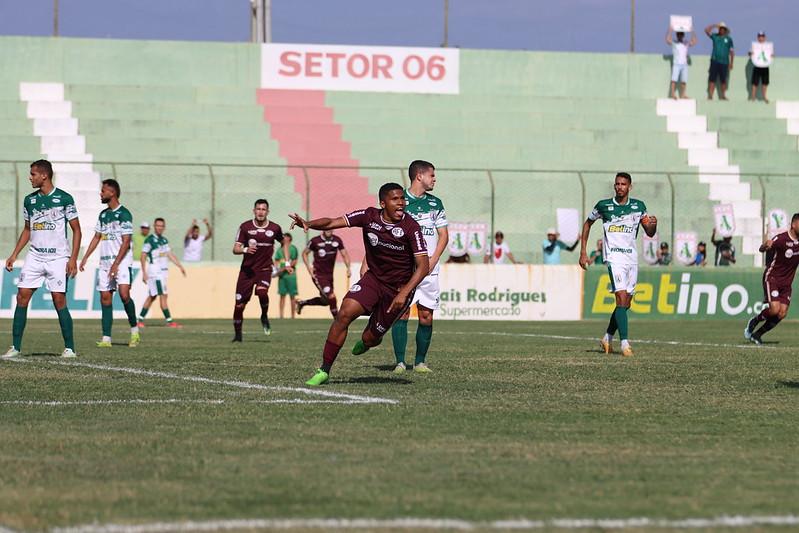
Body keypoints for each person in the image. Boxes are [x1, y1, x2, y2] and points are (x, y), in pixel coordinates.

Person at [288, 182, 429, 386]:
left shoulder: (411, 227)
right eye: (395, 199)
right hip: (374, 280)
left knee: (370, 338)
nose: (401, 203)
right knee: (344, 313)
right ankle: (324, 370)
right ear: (383, 203)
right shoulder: (369, 216)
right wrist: (309, 223)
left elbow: (423, 266)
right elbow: (332, 223)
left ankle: (368, 341)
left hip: (398, 289)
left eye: (402, 199)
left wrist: (404, 293)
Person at [2, 160, 81, 358]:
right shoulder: (30, 200)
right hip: (35, 256)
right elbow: (28, 229)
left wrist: (73, 259)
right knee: (22, 296)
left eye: (33, 174)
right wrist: (14, 254)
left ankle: (70, 348)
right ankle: (15, 347)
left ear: (44, 175)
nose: (30, 177)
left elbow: (77, 230)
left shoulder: (65, 198)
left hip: (58, 257)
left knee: (59, 300)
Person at [579, 172, 657, 357]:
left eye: (623, 184)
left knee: (626, 304)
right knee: (620, 298)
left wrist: (654, 224)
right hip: (614, 258)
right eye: (617, 184)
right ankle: (625, 344)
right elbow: (588, 223)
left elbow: (650, 233)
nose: (620, 187)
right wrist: (583, 252)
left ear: (630, 186)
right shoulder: (603, 206)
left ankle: (607, 338)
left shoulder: (639, 206)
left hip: (632, 258)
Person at [390, 160, 449, 374]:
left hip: (429, 271)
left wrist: (432, 259)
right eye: (432, 175)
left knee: (426, 316)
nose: (434, 179)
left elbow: (443, 235)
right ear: (419, 176)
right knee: (402, 313)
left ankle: (420, 362)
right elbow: (386, 232)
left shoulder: (436, 204)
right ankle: (399, 362)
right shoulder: (399, 201)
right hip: (405, 270)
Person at [78, 179, 140, 348]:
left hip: (121, 261)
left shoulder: (124, 214)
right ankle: (106, 338)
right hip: (105, 263)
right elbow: (97, 237)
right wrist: (85, 257)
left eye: (103, 191)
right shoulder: (103, 215)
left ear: (112, 193)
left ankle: (134, 331)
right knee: (105, 298)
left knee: (124, 295)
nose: (101, 193)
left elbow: (126, 242)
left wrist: (116, 264)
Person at [232, 199, 292, 341]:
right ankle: (238, 336)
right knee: (239, 304)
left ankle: (264, 315)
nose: (260, 212)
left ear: (267, 211)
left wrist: (287, 263)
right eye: (258, 209)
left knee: (261, 291)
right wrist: (245, 249)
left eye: (263, 209)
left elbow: (284, 243)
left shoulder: (274, 228)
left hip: (264, 269)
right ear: (254, 211)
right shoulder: (245, 227)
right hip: (246, 271)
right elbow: (235, 249)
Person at [744, 213, 799, 345]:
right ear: (793, 224)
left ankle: (757, 334)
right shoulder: (781, 239)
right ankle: (755, 320)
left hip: (787, 284)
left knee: (781, 313)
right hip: (772, 277)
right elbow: (762, 249)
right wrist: (765, 245)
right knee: (774, 309)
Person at [138, 217, 186, 328]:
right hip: (155, 272)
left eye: (161, 226)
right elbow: (143, 255)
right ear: (154, 227)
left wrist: (180, 266)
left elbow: (170, 255)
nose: (159, 228)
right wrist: (144, 273)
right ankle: (169, 322)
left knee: (152, 296)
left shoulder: (164, 240)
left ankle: (139, 320)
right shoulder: (150, 240)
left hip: (162, 273)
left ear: (164, 227)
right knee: (163, 295)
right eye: (157, 225)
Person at [297, 230, 351, 317]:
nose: (328, 230)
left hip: (329, 276)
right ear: (323, 229)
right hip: (318, 275)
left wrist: (348, 268)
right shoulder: (315, 241)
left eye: (330, 228)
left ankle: (302, 303)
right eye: (326, 228)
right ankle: (338, 321)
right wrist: (309, 268)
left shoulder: (337, 240)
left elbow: (344, 254)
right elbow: (304, 253)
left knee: (326, 301)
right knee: (332, 297)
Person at [666, 25, 698, 99]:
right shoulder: (674, 42)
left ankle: (683, 95)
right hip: (676, 64)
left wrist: (692, 31)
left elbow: (694, 41)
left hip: (684, 64)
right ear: (677, 35)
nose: (680, 36)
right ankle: (673, 94)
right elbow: (667, 40)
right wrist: (670, 31)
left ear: (683, 35)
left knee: (684, 80)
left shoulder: (686, 43)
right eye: (678, 34)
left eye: (681, 34)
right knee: (674, 80)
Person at [705, 22, 734, 100]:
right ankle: (710, 95)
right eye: (720, 28)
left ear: (725, 30)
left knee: (723, 80)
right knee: (712, 79)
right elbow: (706, 30)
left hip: (724, 62)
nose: (721, 30)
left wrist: (731, 63)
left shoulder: (729, 39)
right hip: (714, 61)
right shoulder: (715, 36)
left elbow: (731, 52)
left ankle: (723, 95)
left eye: (723, 29)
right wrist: (714, 25)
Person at [274, 232, 299, 319]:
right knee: (282, 296)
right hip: (282, 276)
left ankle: (293, 316)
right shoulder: (279, 250)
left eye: (286, 237)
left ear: (289, 239)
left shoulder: (293, 249)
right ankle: (281, 315)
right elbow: (276, 262)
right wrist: (277, 270)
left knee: (292, 296)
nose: (284, 239)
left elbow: (295, 260)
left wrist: (288, 267)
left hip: (291, 276)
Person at [749, 31, 773, 103]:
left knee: (765, 82)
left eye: (762, 36)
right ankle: (753, 97)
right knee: (754, 82)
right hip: (757, 65)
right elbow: (749, 53)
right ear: (758, 37)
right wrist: (750, 53)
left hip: (765, 66)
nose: (761, 38)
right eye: (759, 36)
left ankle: (764, 97)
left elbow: (771, 54)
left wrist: (772, 56)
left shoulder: (768, 45)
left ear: (764, 37)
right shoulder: (754, 45)